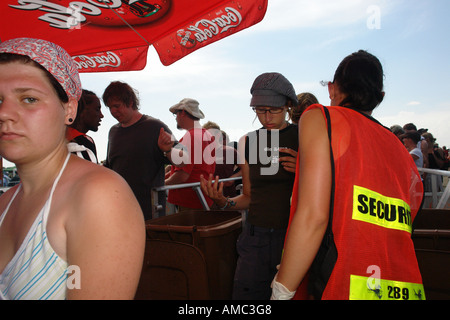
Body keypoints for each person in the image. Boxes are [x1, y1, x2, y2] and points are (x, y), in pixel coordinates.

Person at [272, 50, 425, 300]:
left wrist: (281, 290)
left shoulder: (321, 118)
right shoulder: (399, 148)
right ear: (380, 98)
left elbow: (314, 217)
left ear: (332, 89)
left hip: (342, 282)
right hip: (405, 287)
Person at [0, 38, 145, 300]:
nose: (5, 113)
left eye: (29, 99)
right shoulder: (5, 202)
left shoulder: (99, 196)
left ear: (69, 108)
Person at [200, 72, 299, 299]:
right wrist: (224, 202)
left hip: (294, 236)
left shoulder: (303, 136)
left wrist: (304, 169)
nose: (266, 117)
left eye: (273, 109)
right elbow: (248, 196)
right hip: (256, 238)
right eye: (260, 110)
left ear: (288, 105)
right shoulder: (250, 141)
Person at [102, 81, 174, 220]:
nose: (113, 112)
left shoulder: (155, 126)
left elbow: (184, 160)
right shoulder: (113, 132)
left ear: (130, 102)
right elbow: (110, 166)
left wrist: (168, 150)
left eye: (117, 106)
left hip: (150, 211)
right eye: (110, 107)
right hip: (119, 208)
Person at [165, 98, 215, 211]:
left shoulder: (191, 137)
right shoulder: (206, 134)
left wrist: (159, 185)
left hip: (190, 200)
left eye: (175, 114)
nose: (176, 118)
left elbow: (182, 175)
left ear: (182, 113)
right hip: (203, 197)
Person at [67, 89, 103, 163]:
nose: (101, 115)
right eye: (97, 109)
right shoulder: (82, 144)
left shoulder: (57, 139)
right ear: (81, 110)